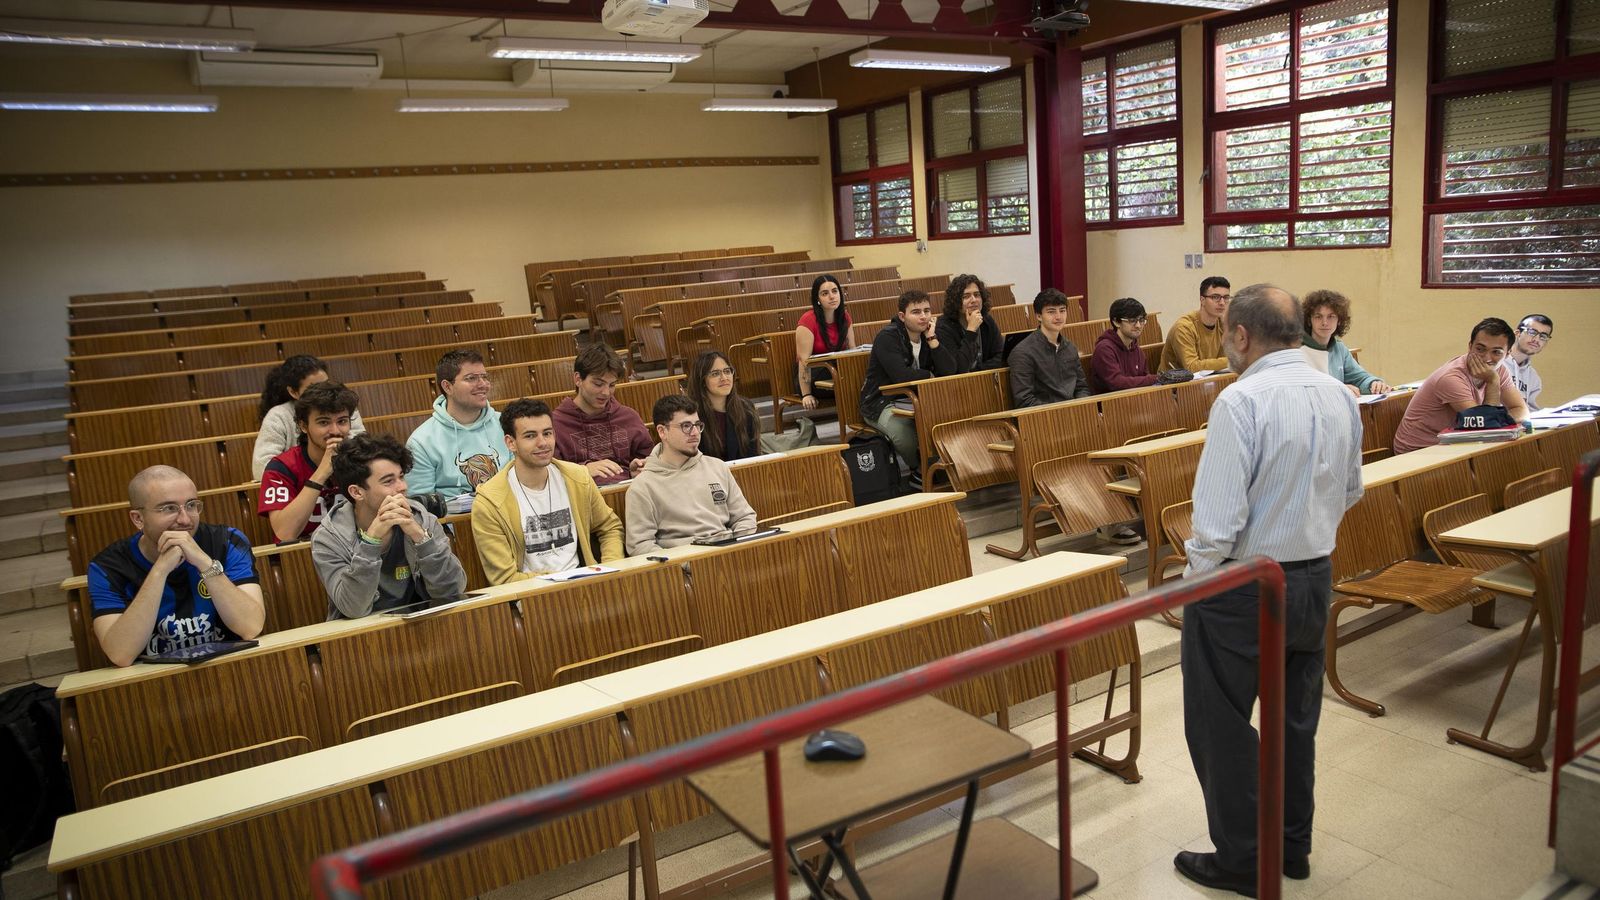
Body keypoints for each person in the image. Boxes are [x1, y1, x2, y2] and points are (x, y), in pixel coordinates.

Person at [1175, 284, 1363, 895]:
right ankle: (1291, 847)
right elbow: (1353, 490)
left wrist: (1194, 590)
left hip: (1244, 585)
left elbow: (1218, 521)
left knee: (1221, 724)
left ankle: (1242, 860)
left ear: (1241, 335)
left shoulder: (1241, 400)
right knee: (1295, 722)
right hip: (1314, 576)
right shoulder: (1338, 393)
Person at [87, 465, 265, 667]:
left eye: (191, 505)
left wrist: (204, 563)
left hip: (229, 669)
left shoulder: (227, 541)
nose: (185, 519)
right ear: (138, 518)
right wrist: (160, 571)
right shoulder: (107, 567)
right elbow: (121, 654)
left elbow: (250, 627)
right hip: (154, 685)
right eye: (169, 508)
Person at [312, 434, 467, 620]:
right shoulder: (329, 538)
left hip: (424, 626)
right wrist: (371, 541)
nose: (402, 487)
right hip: (362, 639)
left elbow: (452, 591)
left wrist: (421, 538)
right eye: (388, 481)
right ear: (357, 492)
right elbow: (353, 608)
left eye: (401, 477)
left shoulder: (422, 519)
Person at [471, 398, 624, 583]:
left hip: (585, 585)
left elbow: (610, 527)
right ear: (511, 443)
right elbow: (504, 577)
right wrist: (557, 582)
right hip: (532, 596)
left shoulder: (578, 478)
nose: (542, 443)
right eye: (530, 436)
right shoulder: (489, 502)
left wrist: (608, 569)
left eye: (547, 433)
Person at [625, 395, 757, 556]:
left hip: (731, 557)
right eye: (685, 426)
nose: (694, 432)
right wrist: (683, 566)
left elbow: (744, 517)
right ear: (662, 431)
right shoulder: (643, 486)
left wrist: (739, 550)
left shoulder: (717, 467)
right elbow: (640, 545)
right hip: (686, 567)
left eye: (697, 425)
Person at [859, 290, 956, 487]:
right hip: (881, 402)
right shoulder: (887, 337)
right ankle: (920, 469)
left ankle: (930, 471)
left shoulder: (929, 335)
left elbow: (949, 371)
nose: (923, 316)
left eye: (927, 311)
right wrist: (929, 375)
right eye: (916, 312)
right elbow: (901, 376)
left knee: (945, 420)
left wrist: (932, 340)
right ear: (902, 316)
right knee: (902, 432)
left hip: (917, 400)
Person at [1392, 317, 1530, 454]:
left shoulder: (1500, 370)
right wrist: (1492, 382)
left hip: (1453, 442)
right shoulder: (1451, 378)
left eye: (1496, 352)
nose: (1486, 358)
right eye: (1480, 349)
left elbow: (1521, 410)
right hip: (1417, 449)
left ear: (1507, 354)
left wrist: (1497, 420)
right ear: (1470, 346)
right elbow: (1484, 428)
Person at [257, 381, 356, 542]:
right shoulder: (280, 468)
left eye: (342, 421)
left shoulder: (362, 459)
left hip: (354, 553)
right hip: (303, 558)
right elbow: (285, 534)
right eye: (324, 422)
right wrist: (322, 472)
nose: (335, 431)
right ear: (303, 425)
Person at [405, 349, 509, 500]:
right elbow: (423, 506)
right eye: (471, 378)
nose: (483, 385)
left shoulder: (505, 424)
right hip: (454, 522)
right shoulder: (421, 442)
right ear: (447, 387)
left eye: (484, 377)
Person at [251, 355, 366, 480]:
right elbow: (262, 468)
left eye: (325, 384)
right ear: (293, 392)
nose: (323, 392)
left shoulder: (343, 405)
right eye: (312, 388)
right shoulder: (278, 415)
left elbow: (362, 449)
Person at [552, 344, 654, 485]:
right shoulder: (556, 424)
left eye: (612, 385)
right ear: (578, 379)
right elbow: (547, 476)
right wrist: (582, 470)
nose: (606, 392)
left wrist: (636, 469)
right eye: (598, 384)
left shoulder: (628, 417)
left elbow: (651, 461)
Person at [1010, 289, 1093, 407]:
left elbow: (1082, 387)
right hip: (1045, 418)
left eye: (1062, 311)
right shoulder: (1022, 353)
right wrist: (1060, 411)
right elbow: (1024, 400)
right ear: (1039, 316)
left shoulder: (1070, 348)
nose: (1058, 317)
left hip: (1075, 414)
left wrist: (1081, 407)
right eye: (1051, 312)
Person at [1300, 290, 1391, 397]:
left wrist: (1373, 383)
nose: (1325, 322)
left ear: (1339, 320)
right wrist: (1339, 389)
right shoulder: (1297, 348)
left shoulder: (1339, 348)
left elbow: (1359, 378)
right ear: (1309, 320)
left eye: (1331, 317)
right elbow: (1300, 388)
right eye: (1318, 317)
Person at [686, 350, 761, 461]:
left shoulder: (746, 408)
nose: (724, 378)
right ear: (702, 380)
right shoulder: (690, 414)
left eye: (727, 371)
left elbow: (753, 456)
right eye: (715, 373)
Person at [796, 274, 855, 410]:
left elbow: (852, 350)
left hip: (836, 370)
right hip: (812, 375)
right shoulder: (808, 320)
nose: (832, 296)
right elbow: (803, 361)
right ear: (817, 299)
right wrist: (806, 394)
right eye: (825, 293)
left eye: (835, 291)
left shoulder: (844, 317)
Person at [1160, 275, 1231, 373]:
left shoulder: (1223, 323)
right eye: (1216, 297)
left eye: (1226, 297)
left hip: (1208, 380)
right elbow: (1192, 367)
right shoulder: (1184, 327)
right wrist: (1231, 360)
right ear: (1202, 300)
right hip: (1173, 384)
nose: (1222, 303)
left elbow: (1229, 356)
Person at [934, 274, 1004, 372]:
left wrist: (977, 371)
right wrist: (971, 330)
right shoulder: (943, 327)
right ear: (955, 301)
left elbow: (1002, 357)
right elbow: (959, 368)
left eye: (977, 295)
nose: (974, 300)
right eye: (966, 296)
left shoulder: (987, 320)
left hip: (985, 378)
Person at [1090, 297, 1160, 393]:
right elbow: (1116, 383)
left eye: (1141, 320)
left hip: (1136, 402)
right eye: (1132, 320)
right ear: (1116, 322)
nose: (1138, 325)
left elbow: (1145, 381)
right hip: (1111, 404)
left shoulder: (1137, 350)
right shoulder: (1104, 349)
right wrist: (1156, 378)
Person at [1504, 314, 1552, 410]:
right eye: (1532, 332)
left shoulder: (1533, 377)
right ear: (1517, 333)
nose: (1536, 339)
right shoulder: (1493, 363)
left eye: (1543, 336)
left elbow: (1530, 411)